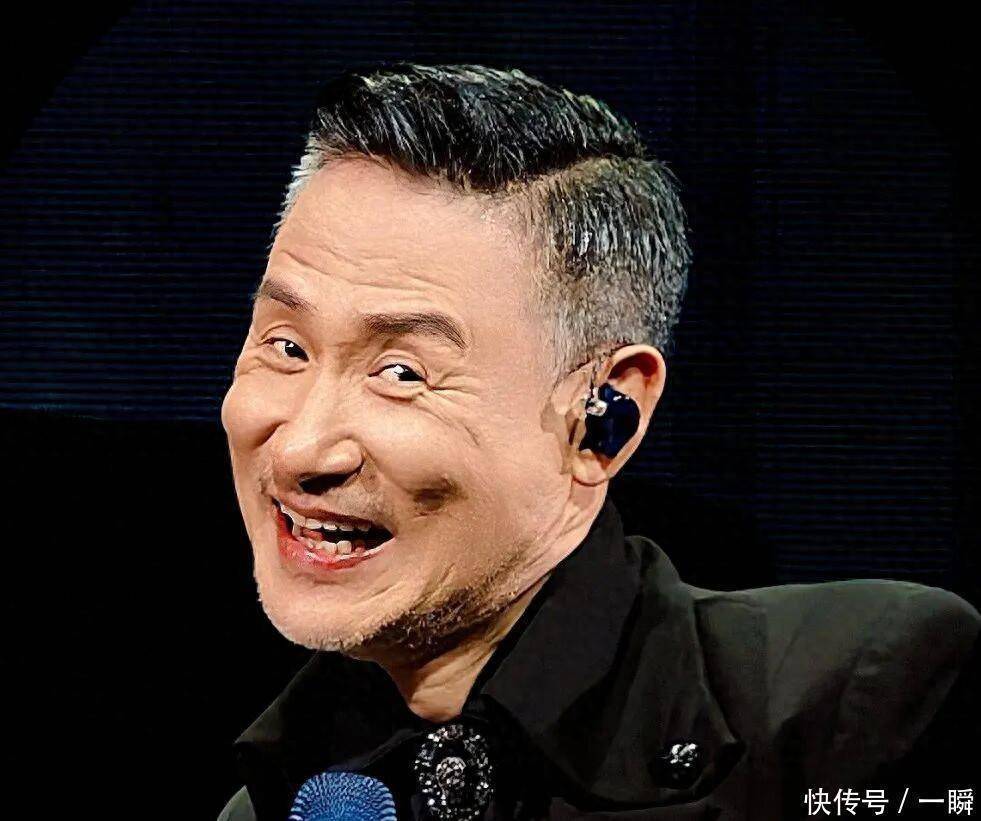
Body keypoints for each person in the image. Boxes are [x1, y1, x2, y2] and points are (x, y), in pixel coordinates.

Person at [217, 64, 979, 820]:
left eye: (401, 373)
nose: (300, 451)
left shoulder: (853, 703)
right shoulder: (274, 799)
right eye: (286, 347)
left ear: (602, 418)